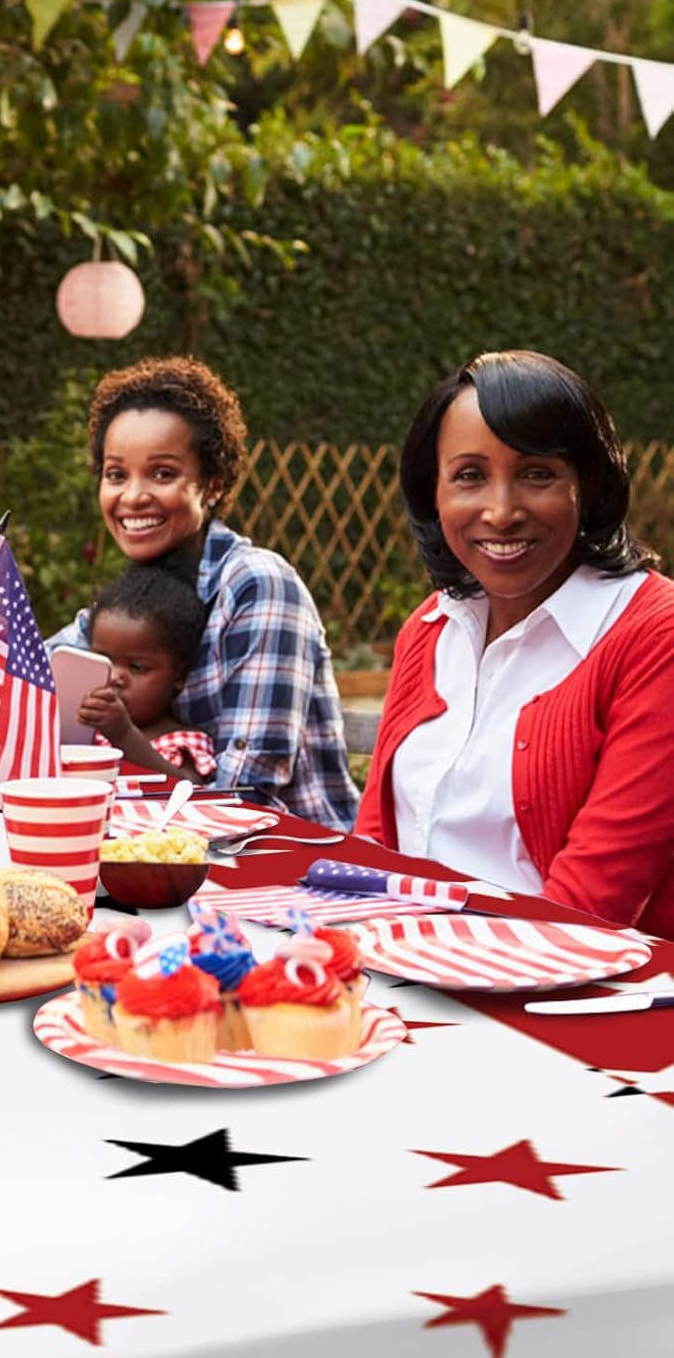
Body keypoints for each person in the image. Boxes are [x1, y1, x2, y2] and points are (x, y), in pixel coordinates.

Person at [356, 351, 674, 936]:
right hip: (408, 969)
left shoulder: (656, 635)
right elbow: (374, 847)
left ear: (591, 484)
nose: (501, 512)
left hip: (564, 998)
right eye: (470, 476)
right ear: (434, 493)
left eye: (536, 474)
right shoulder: (432, 625)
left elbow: (589, 907)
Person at [51, 356, 358, 828]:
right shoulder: (123, 604)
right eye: (116, 474)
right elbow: (30, 677)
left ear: (212, 486)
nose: (132, 496)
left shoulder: (258, 587)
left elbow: (246, 796)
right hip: (162, 845)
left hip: (292, 856)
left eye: (162, 473)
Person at [75, 564, 217, 781]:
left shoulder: (183, 742)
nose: (115, 677)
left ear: (179, 677)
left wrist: (123, 734)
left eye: (137, 667)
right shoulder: (85, 730)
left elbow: (190, 792)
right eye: (103, 660)